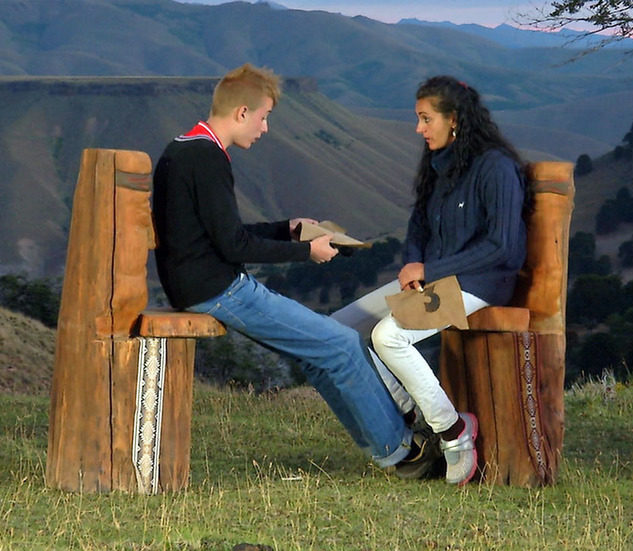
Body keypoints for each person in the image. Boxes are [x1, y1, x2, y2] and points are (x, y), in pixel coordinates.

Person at [151, 63, 437, 478]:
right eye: (264, 117)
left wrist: (286, 229)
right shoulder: (207, 157)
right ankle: (403, 452)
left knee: (326, 353)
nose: (265, 129)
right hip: (217, 288)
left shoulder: (188, 147)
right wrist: (308, 253)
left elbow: (219, 232)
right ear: (242, 113)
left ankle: (391, 441)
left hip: (201, 281)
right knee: (340, 345)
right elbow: (233, 245)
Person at [369, 75, 529, 486]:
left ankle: (454, 433)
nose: (418, 129)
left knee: (388, 337)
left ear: (453, 119)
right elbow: (417, 226)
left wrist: (431, 271)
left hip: (480, 283)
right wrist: (413, 264)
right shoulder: (440, 164)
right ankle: (411, 414)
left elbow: (503, 246)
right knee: (342, 330)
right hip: (435, 281)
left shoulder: (496, 167)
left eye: (426, 119)